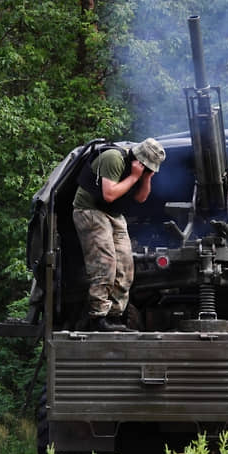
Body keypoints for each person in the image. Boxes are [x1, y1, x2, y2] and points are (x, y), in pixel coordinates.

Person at [73, 138, 166, 331]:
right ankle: (98, 317)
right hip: (90, 211)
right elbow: (109, 194)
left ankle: (115, 317)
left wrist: (146, 177)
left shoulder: (140, 170)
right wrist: (133, 176)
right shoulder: (113, 158)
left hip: (114, 214)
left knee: (125, 266)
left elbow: (140, 198)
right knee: (105, 264)